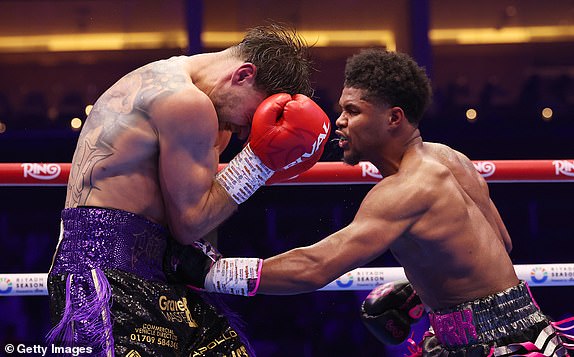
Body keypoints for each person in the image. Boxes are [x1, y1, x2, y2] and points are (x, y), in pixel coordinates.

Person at [191, 48, 573, 356]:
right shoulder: (448, 157)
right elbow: (501, 244)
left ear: (394, 118)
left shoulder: (403, 191)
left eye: (352, 111)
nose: (338, 122)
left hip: (497, 347)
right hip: (516, 329)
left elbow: (315, 267)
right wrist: (421, 290)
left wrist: (212, 272)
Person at [46, 23, 331, 357]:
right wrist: (259, 163)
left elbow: (196, 223)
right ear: (243, 76)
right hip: (106, 271)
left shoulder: (207, 105)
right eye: (253, 116)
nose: (246, 134)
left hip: (165, 270)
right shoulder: (186, 102)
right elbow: (191, 222)